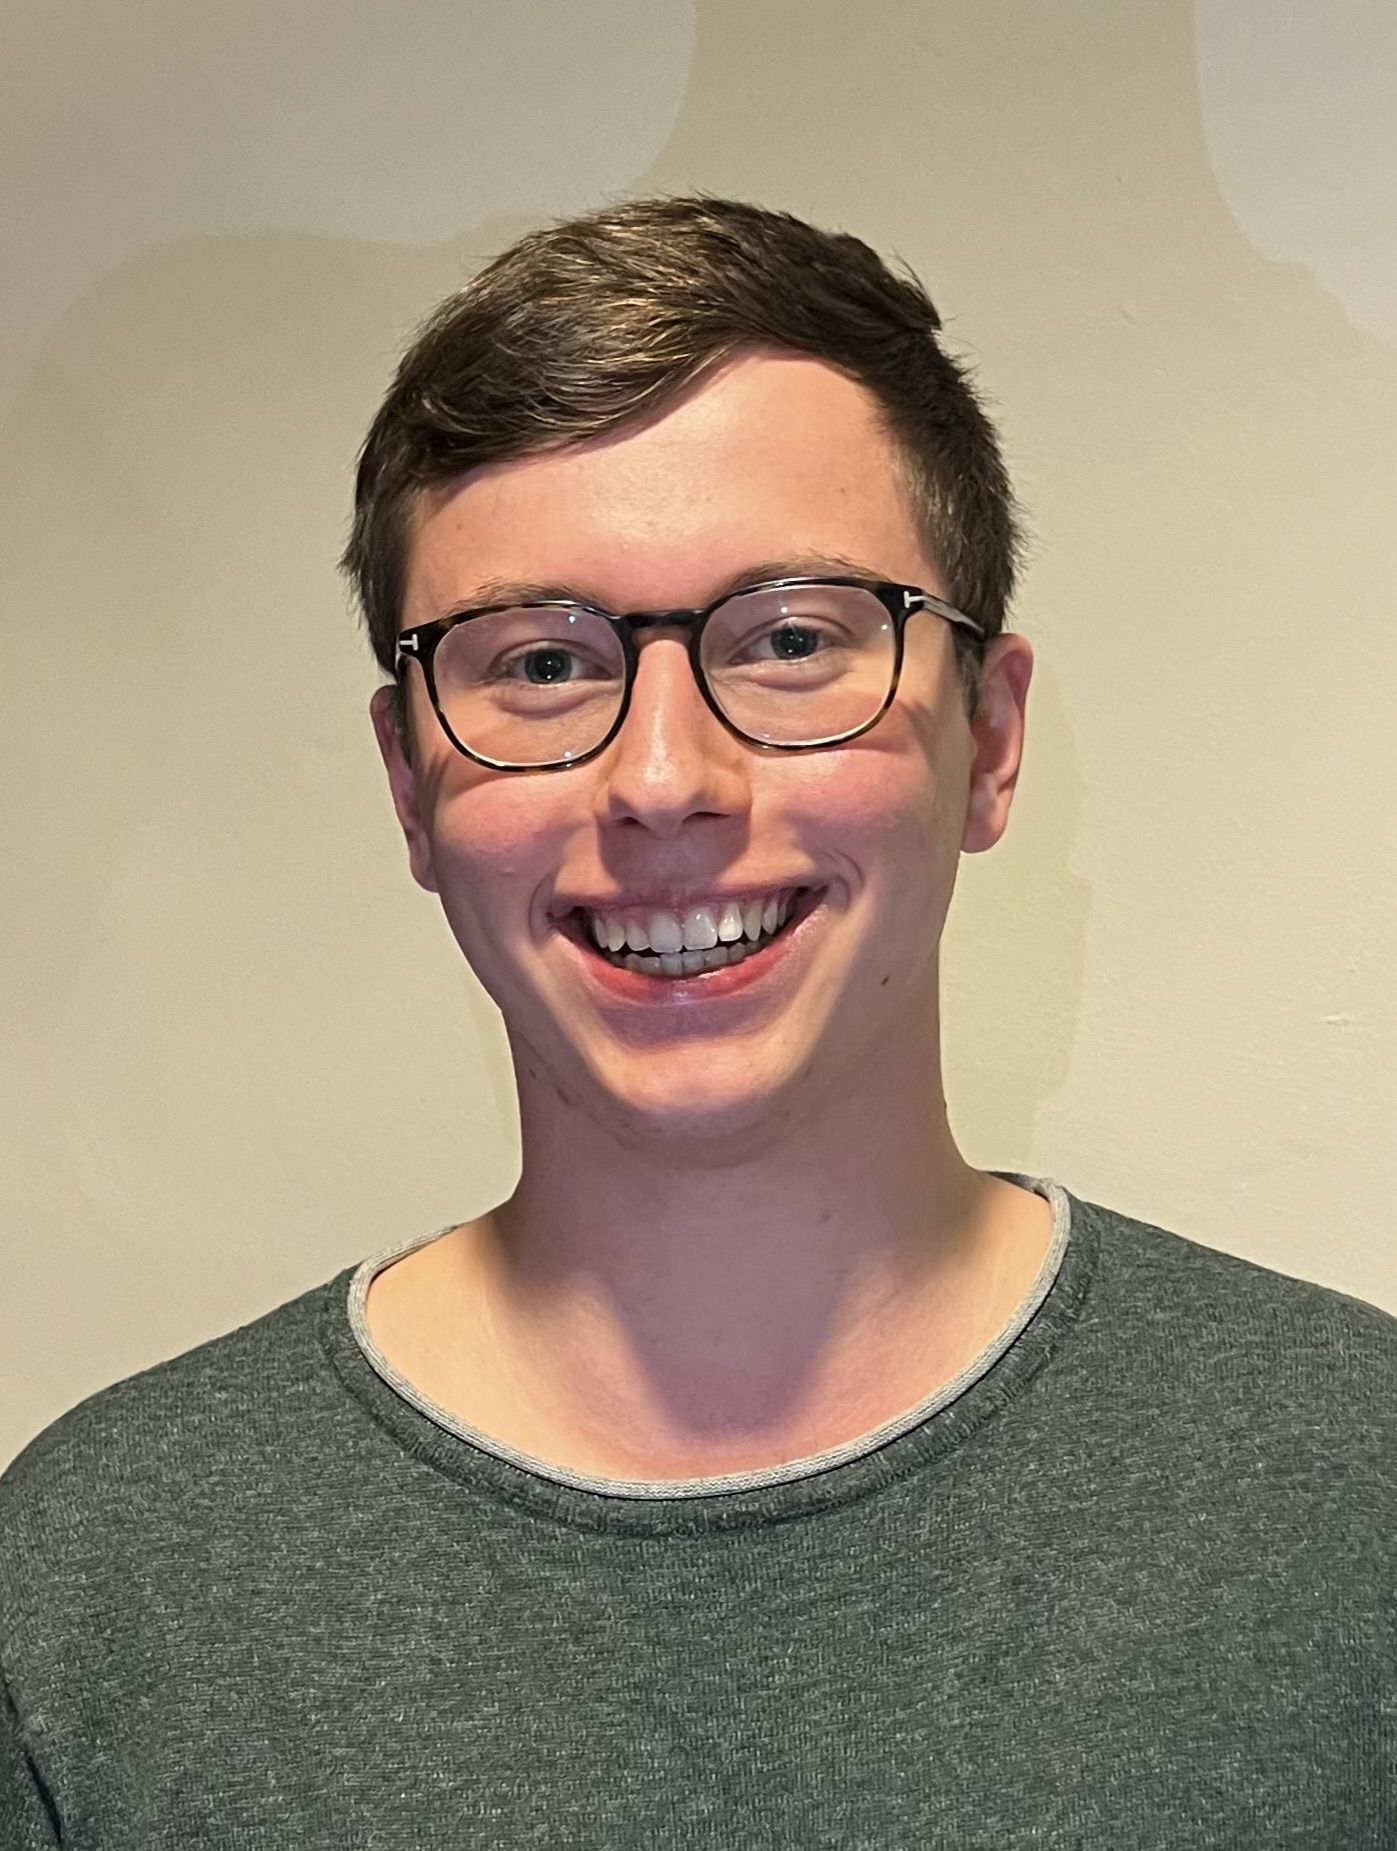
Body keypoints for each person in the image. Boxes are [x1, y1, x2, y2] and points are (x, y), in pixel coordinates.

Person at [2, 196, 1393, 1848]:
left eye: (792, 638)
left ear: (991, 739)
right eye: (540, 665)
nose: (662, 778)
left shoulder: (1352, 1497)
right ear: (407, 783)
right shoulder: (98, 1589)